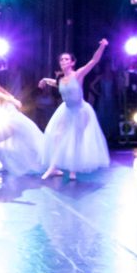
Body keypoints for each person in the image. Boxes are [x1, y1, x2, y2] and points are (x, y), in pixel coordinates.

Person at [38, 39, 111, 180]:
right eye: (61, 60)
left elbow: (94, 60)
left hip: (80, 111)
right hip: (66, 110)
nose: (63, 61)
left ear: (72, 62)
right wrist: (44, 80)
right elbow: (55, 83)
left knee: (75, 139)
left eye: (66, 59)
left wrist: (102, 46)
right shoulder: (60, 79)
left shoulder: (78, 74)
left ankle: (73, 169)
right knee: (56, 136)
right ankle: (54, 167)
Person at [0, 75, 45, 176]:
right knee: (6, 144)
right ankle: (8, 165)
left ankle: (9, 165)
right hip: (11, 122)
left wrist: (12, 101)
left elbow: (16, 102)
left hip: (13, 122)